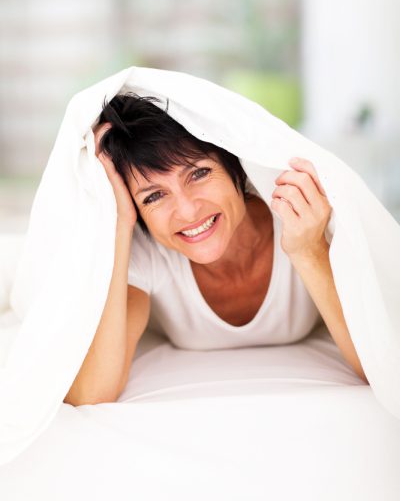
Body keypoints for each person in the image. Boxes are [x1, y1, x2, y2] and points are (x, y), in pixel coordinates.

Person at [63, 92, 368, 406]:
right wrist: (119, 221)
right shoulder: (148, 252)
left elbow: (380, 367)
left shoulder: (299, 220)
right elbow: (92, 393)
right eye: (153, 197)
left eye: (198, 173)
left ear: (235, 168)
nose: (187, 211)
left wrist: (307, 249)